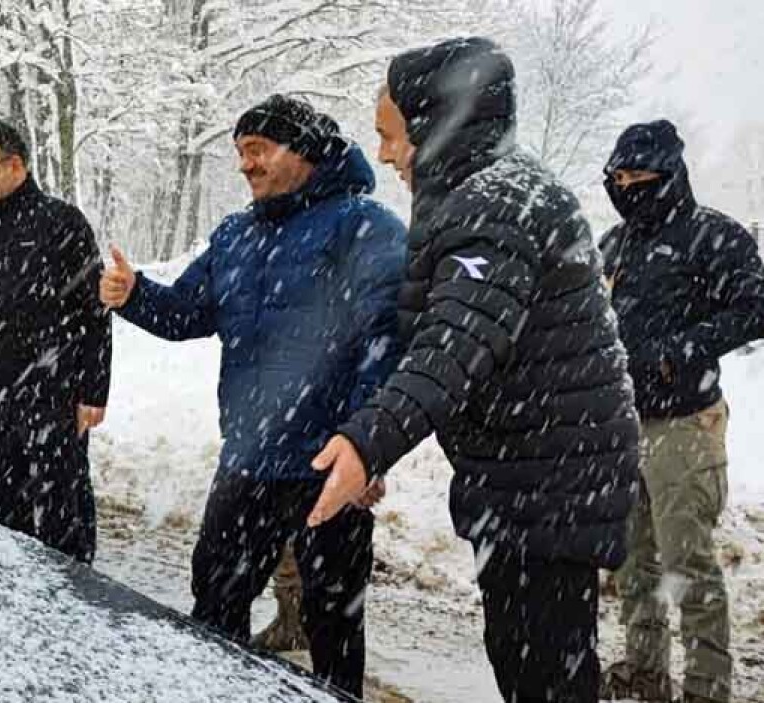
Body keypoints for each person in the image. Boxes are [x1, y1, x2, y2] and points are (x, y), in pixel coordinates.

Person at [304, 38, 640, 702]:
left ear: (432, 125)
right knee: (536, 657)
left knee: (541, 669)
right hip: (543, 475)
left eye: (390, 135)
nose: (384, 153)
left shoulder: (494, 205)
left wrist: (372, 441)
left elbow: (451, 346)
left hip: (547, 484)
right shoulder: (492, 191)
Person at [100, 95, 406, 697]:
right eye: (241, 152)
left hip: (328, 463)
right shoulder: (237, 234)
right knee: (215, 600)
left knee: (332, 622)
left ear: (305, 152)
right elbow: (189, 311)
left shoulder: (364, 228)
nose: (246, 164)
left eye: (259, 150)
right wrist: (134, 295)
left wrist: (368, 445)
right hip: (247, 459)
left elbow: (387, 343)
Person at [598, 120, 764, 703]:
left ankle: (706, 686)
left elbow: (754, 308)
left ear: (667, 176)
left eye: (637, 176)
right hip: (623, 425)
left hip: (685, 425)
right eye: (617, 177)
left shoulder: (713, 236)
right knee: (633, 563)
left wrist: (677, 350)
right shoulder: (613, 244)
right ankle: (645, 673)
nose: (625, 186)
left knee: (687, 562)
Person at [0, 120, 111, 564]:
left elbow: (95, 314)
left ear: (16, 165)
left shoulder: (63, 223)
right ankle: (16, 591)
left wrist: (93, 392)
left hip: (56, 392)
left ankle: (75, 594)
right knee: (6, 510)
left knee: (65, 511)